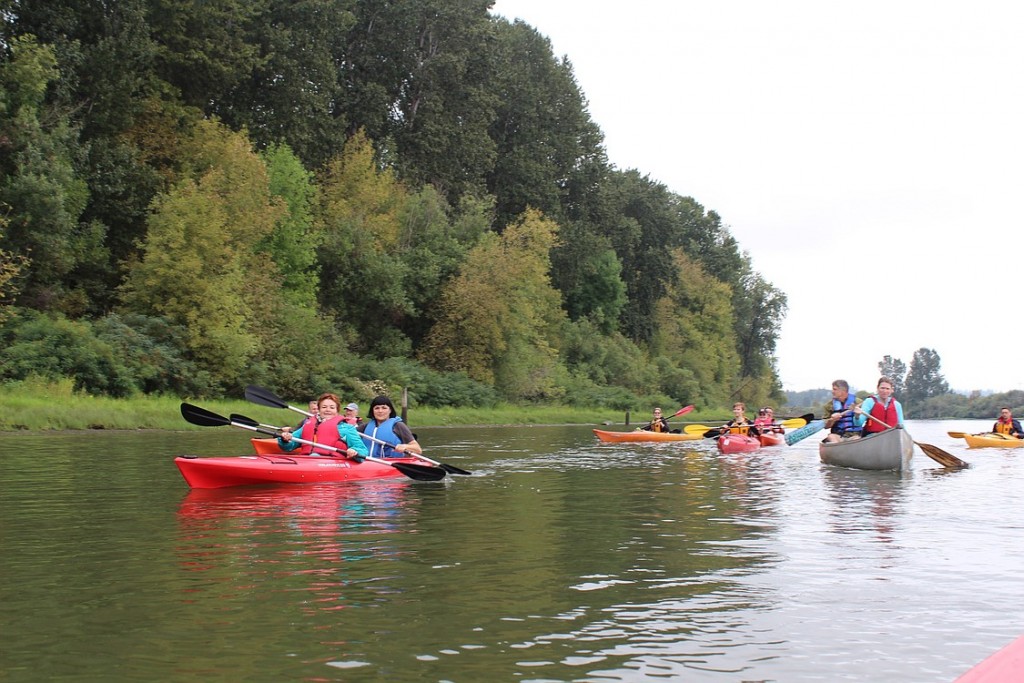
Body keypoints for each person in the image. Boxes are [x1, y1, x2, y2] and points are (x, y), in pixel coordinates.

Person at [277, 393, 369, 460]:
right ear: (319, 409)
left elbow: (362, 450)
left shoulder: (346, 428)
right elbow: (289, 446)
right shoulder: (308, 425)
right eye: (324, 407)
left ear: (337, 410)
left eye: (332, 407)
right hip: (306, 460)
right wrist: (285, 439)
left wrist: (354, 451)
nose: (328, 410)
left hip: (332, 463)